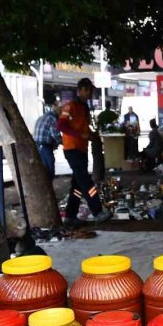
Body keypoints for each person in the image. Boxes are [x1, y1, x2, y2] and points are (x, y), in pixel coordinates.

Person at [57, 78, 111, 225]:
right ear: (79, 90)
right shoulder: (70, 106)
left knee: (78, 186)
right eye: (86, 90)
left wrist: (91, 135)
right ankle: (97, 212)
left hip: (82, 149)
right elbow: (61, 126)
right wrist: (80, 135)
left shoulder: (85, 108)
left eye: (90, 90)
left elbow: (83, 128)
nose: (89, 93)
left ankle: (70, 216)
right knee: (87, 184)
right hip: (72, 149)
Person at [33, 102, 62, 181]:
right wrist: (64, 142)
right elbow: (56, 135)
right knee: (49, 168)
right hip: (44, 146)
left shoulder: (43, 116)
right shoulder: (52, 118)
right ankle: (48, 188)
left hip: (37, 145)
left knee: (42, 168)